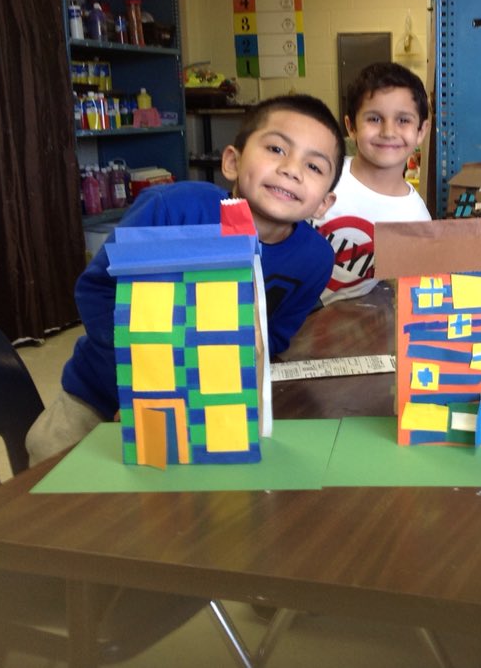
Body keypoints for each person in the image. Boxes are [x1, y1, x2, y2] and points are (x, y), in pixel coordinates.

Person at [26, 94, 344, 464]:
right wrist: (141, 391)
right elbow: (98, 292)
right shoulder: (172, 209)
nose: (292, 169)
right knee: (57, 490)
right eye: (276, 148)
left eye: (314, 167)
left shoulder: (315, 260)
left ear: (324, 203)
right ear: (232, 161)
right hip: (98, 399)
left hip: (205, 411)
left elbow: (271, 337)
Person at [312, 61, 431, 304]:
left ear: (421, 131)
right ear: (351, 127)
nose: (388, 132)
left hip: (337, 327)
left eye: (403, 120)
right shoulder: (320, 177)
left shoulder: (415, 220)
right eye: (374, 119)